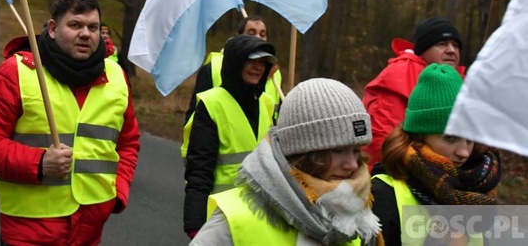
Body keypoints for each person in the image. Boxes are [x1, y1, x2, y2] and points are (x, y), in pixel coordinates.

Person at [0, 0, 140, 246]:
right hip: (28, 232)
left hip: (90, 230)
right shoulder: (17, 72)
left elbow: (128, 142)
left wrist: (118, 190)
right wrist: (39, 162)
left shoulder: (117, 76)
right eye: (75, 25)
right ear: (54, 29)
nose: (86, 34)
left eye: (93, 27)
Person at [192, 78, 382, 245]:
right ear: (303, 153)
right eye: (338, 150)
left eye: (356, 151)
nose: (353, 164)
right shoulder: (237, 218)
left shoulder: (359, 218)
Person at [371, 64, 501, 246]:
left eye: (469, 139)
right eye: (450, 138)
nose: (464, 152)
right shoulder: (382, 194)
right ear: (419, 137)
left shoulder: (479, 193)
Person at [182, 35, 278, 238]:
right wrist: (195, 224)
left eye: (262, 62)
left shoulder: (267, 104)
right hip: (221, 218)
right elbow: (199, 170)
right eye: (251, 60)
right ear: (236, 62)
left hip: (259, 216)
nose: (258, 67)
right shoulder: (212, 104)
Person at [363, 16, 466, 165]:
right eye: (442, 44)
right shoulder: (398, 78)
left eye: (455, 45)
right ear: (422, 50)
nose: (451, 50)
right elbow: (384, 141)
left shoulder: (462, 82)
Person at [184, 15, 282, 122]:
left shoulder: (275, 74)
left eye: (262, 34)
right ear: (239, 36)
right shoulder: (212, 68)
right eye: (251, 33)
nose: (258, 37)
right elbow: (194, 117)